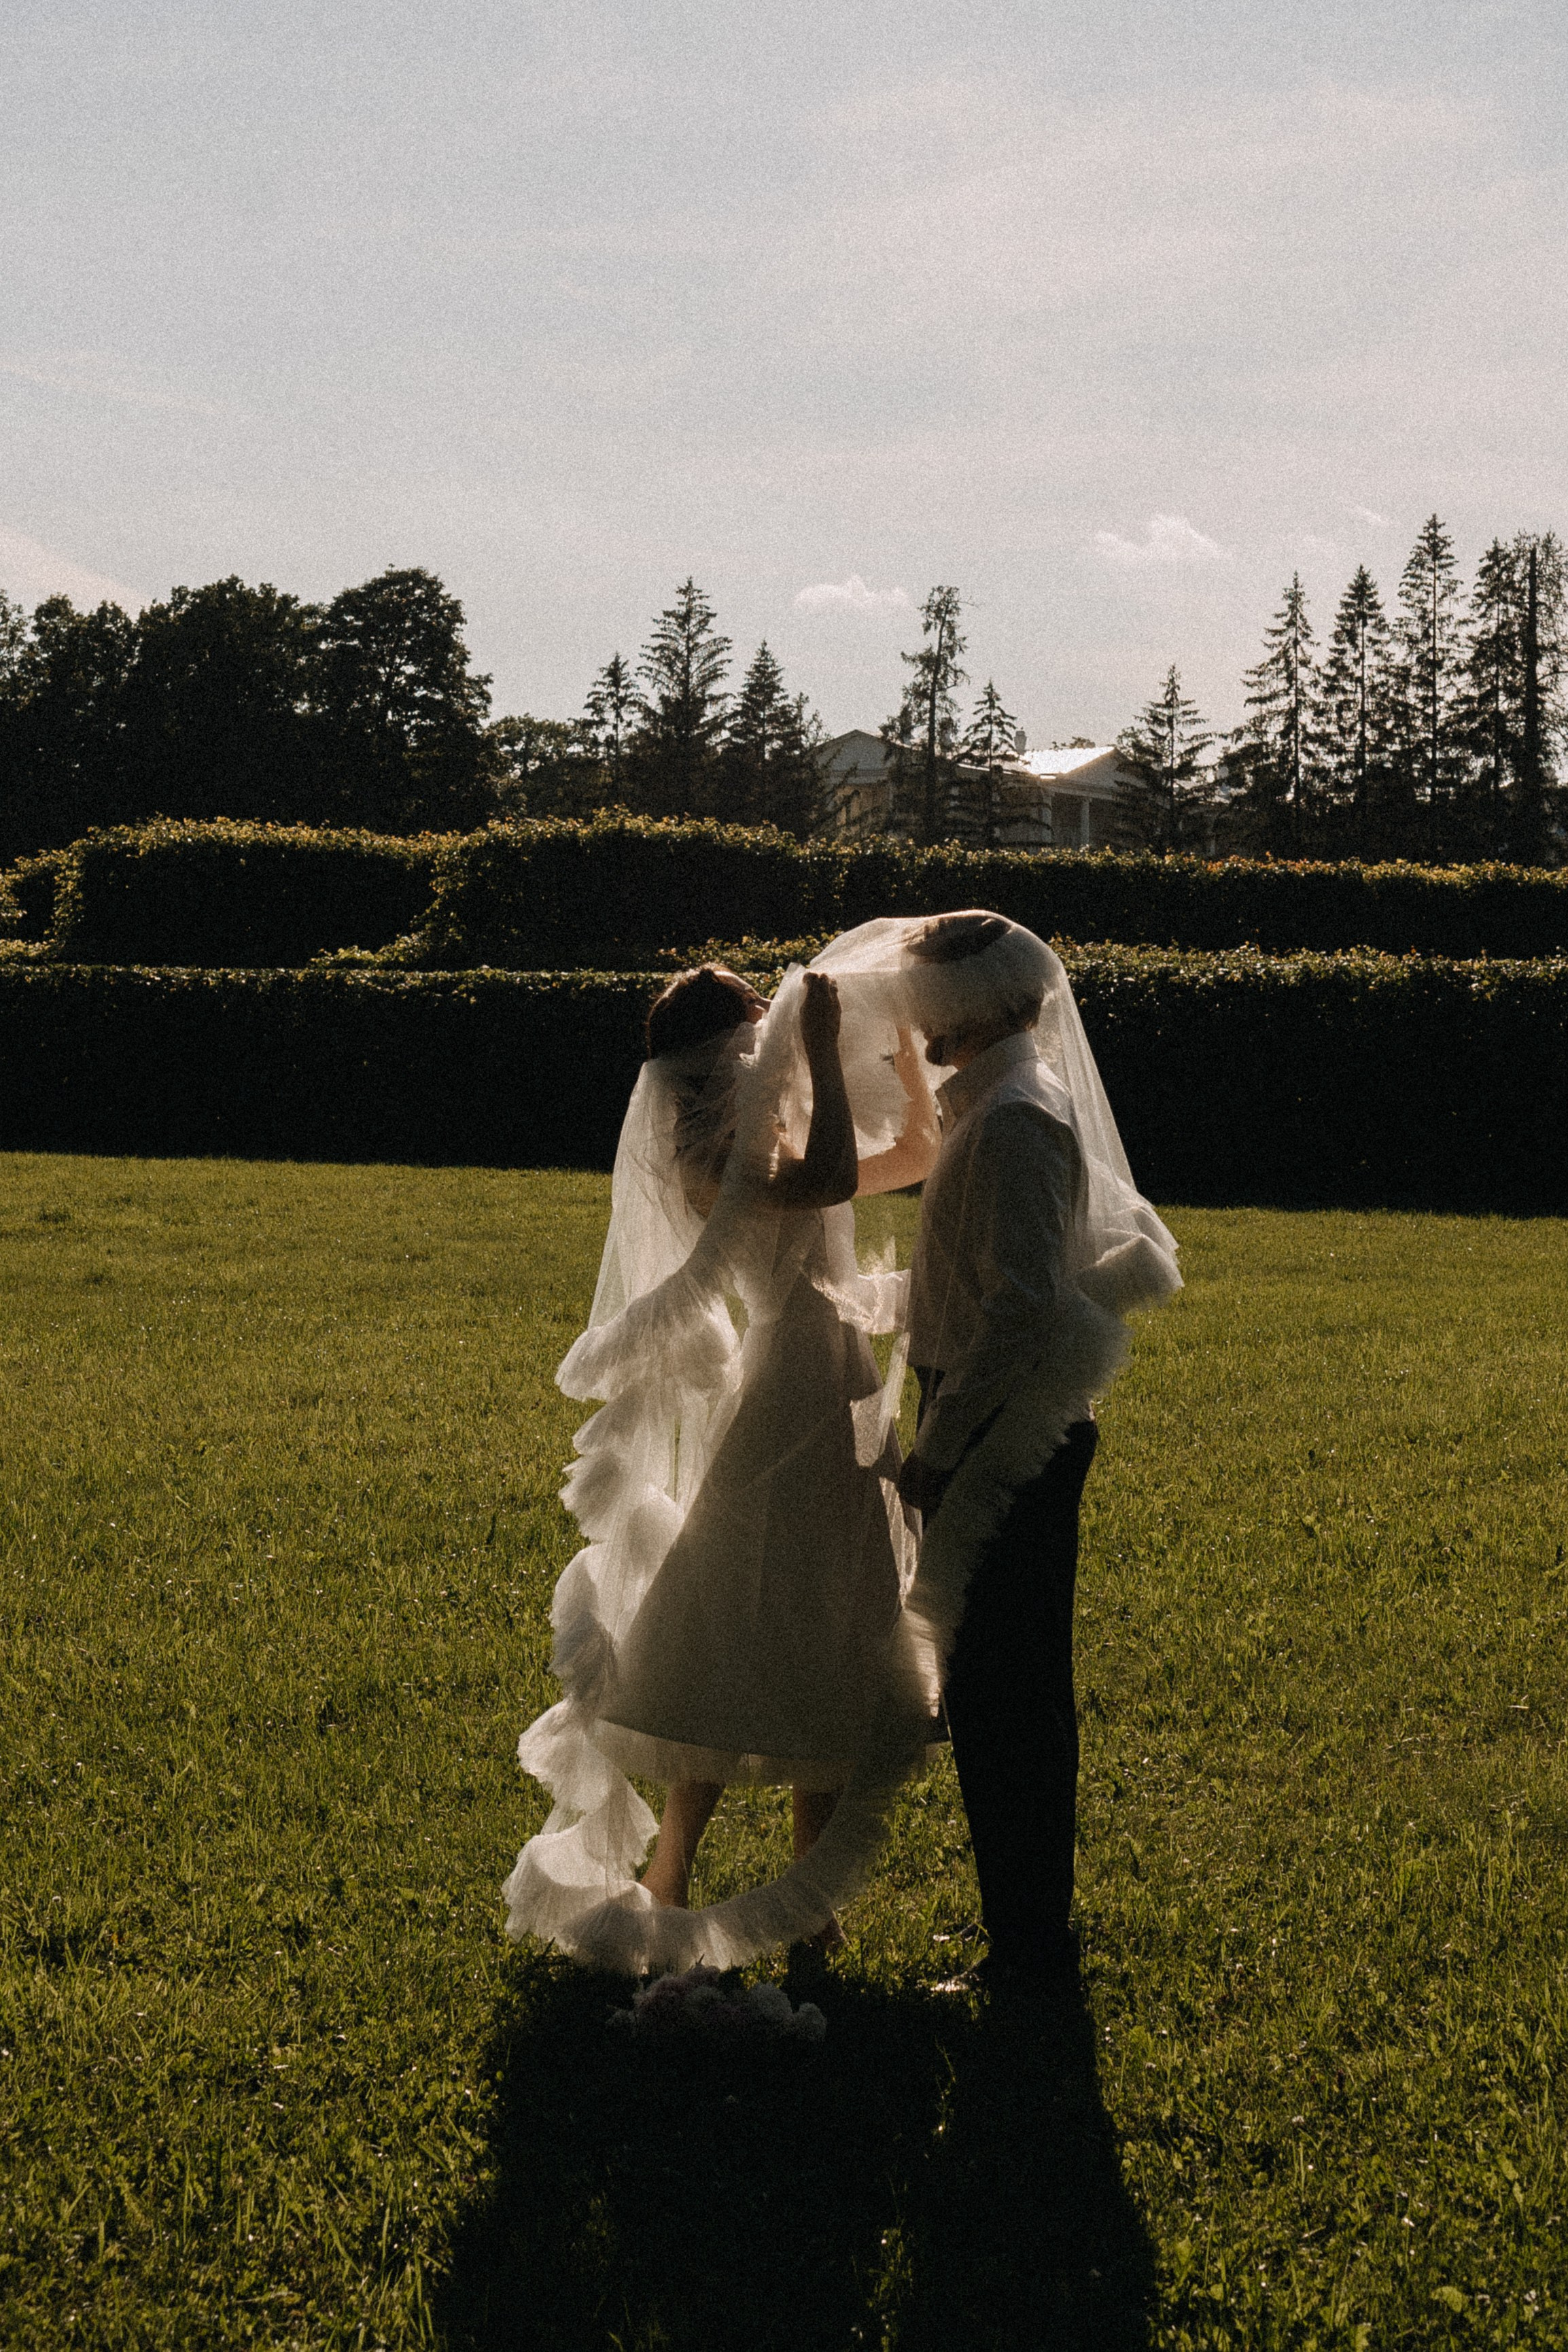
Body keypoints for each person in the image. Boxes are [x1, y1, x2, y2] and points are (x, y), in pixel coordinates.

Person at [504, 961, 939, 1975]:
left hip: (840, 1388)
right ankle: (672, 1876)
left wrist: (907, 1048)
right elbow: (828, 1178)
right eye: (757, 1017)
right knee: (735, 1620)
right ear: (728, 1047)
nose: (770, 1028)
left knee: (834, 1624)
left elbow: (915, 1154)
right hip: (787, 1392)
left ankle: (808, 1902)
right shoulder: (714, 1162)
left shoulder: (774, 1130)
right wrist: (820, 1048)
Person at [805, 913, 1182, 1995]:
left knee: (1008, 1696)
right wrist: (866, 1298)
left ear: (964, 1008)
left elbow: (1019, 1310)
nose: (911, 1024)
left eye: (923, 1003)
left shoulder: (1015, 1118)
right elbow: (975, 1278)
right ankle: (1023, 1937)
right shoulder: (997, 1104)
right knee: (994, 1689)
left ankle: (1029, 1951)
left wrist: (942, 1443)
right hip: (986, 1408)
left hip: (1004, 1430)